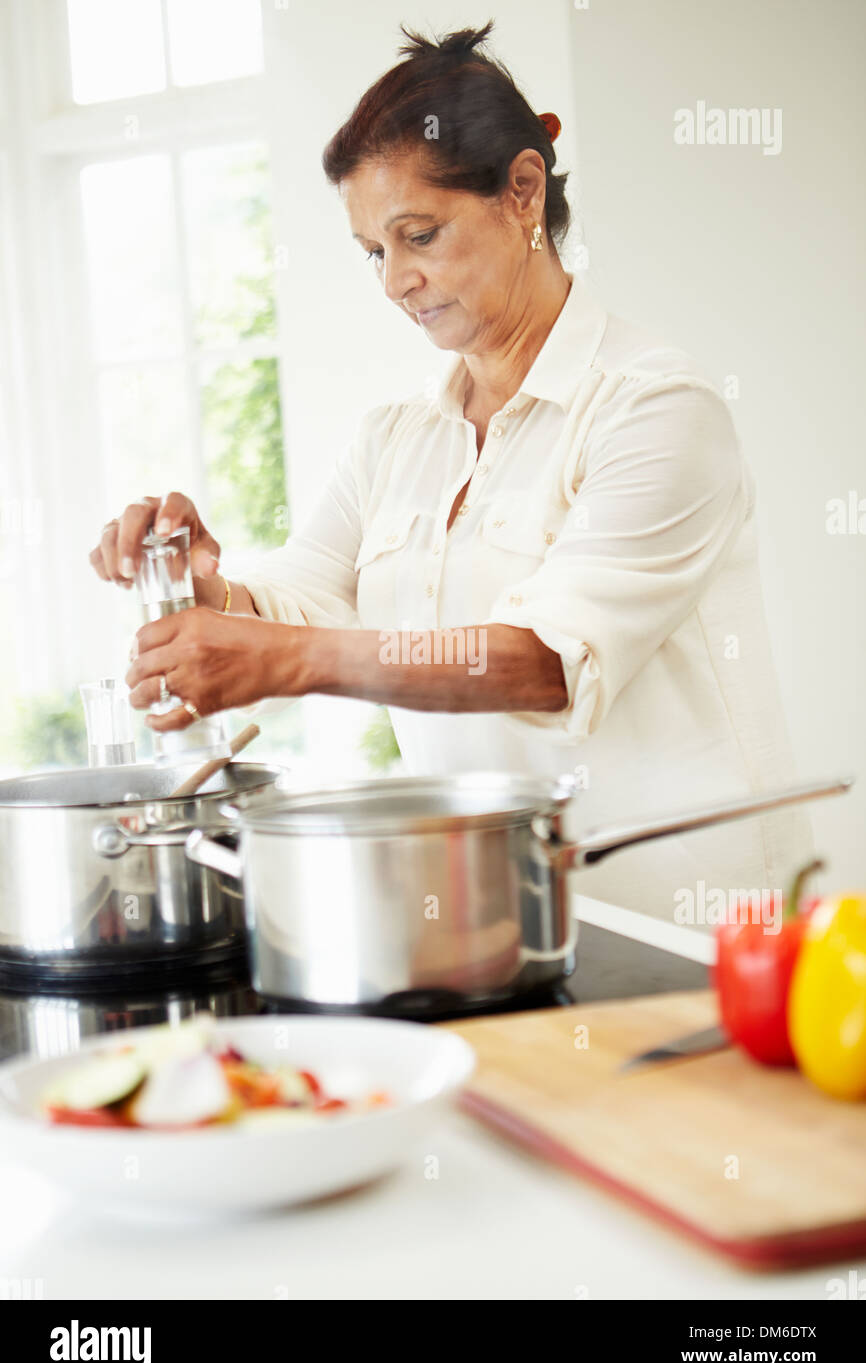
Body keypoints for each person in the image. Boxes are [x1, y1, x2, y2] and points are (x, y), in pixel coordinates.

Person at [89, 21, 813, 922]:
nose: (395, 281)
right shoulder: (397, 439)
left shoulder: (656, 408)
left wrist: (285, 661)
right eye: (373, 253)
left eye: (418, 235)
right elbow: (308, 591)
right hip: (498, 927)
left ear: (521, 191)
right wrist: (214, 593)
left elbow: (543, 663)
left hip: (691, 940)